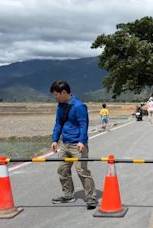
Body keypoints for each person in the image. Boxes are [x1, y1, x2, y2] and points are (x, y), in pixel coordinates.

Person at [49, 80, 97, 209]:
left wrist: (82, 140)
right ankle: (67, 195)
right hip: (65, 144)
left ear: (64, 92)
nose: (55, 97)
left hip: (77, 145)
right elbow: (58, 123)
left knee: (82, 171)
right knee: (62, 170)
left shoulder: (79, 106)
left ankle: (91, 197)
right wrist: (54, 140)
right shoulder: (61, 105)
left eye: (56, 95)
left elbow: (83, 124)